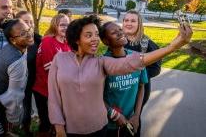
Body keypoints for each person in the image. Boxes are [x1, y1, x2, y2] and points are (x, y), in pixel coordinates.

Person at [48, 15, 192, 137]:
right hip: (69, 129)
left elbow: (133, 62)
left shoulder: (101, 62)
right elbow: (54, 97)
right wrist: (59, 127)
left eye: (97, 34)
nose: (95, 39)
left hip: (99, 129)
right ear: (76, 39)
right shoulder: (59, 60)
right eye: (88, 35)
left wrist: (173, 46)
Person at [100, 21, 148, 137]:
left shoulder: (137, 58)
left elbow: (141, 87)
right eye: (113, 33)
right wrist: (114, 115)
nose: (120, 33)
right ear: (106, 41)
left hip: (132, 121)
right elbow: (97, 97)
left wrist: (137, 115)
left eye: (120, 30)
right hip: (110, 125)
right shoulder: (101, 63)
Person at [122, 10, 161, 135]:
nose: (129, 23)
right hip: (121, 87)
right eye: (126, 20)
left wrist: (136, 74)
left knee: (133, 117)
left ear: (139, 24)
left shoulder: (147, 44)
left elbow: (156, 68)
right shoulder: (117, 40)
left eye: (133, 21)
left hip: (139, 89)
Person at [33, 13, 70, 136]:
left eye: (68, 25)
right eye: (62, 25)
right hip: (44, 90)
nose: (66, 27)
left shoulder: (67, 43)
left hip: (59, 91)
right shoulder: (48, 41)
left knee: (59, 122)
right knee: (46, 122)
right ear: (55, 26)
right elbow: (50, 68)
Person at [15, 11, 42, 136]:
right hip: (22, 83)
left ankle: (44, 127)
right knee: (25, 108)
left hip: (37, 81)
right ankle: (26, 129)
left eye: (31, 21)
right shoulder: (14, 41)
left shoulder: (38, 39)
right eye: (26, 22)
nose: (30, 24)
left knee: (42, 107)